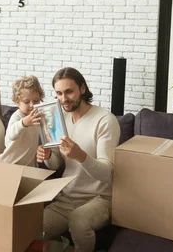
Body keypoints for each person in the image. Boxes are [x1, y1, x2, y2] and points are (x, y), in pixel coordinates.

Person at [37, 67, 121, 252]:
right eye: (58, 93)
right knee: (32, 228)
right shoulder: (60, 118)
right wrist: (49, 156)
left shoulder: (105, 120)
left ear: (82, 89)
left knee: (78, 222)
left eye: (69, 92)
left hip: (99, 199)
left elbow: (107, 173)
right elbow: (57, 163)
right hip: (66, 198)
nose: (64, 99)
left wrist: (81, 156)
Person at [0, 75, 45, 166]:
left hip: (27, 165)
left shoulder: (37, 117)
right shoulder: (17, 116)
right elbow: (11, 136)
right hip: (9, 163)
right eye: (26, 102)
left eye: (36, 101)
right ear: (17, 102)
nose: (32, 105)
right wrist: (23, 123)